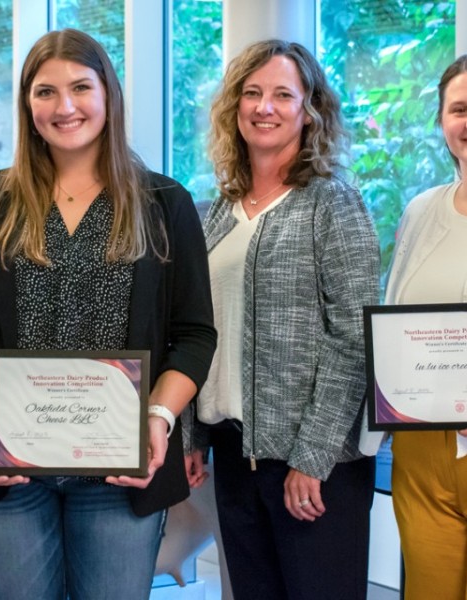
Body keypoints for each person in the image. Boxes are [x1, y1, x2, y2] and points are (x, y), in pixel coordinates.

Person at [0, 29, 216, 600]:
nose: (65, 106)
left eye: (81, 87)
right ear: (27, 106)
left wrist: (157, 418)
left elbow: (194, 335)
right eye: (45, 92)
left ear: (109, 94)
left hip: (119, 470)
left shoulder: (163, 204)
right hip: (11, 470)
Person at [187, 40, 380, 599]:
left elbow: (354, 338)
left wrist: (312, 459)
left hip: (311, 466)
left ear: (309, 109)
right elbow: (205, 329)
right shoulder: (219, 210)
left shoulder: (332, 202)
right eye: (252, 93)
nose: (264, 107)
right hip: (234, 452)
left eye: (282, 95)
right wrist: (193, 435)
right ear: (234, 107)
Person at [384, 54, 467, 600]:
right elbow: (394, 312)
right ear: (442, 121)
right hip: (423, 452)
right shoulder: (420, 210)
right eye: (460, 108)